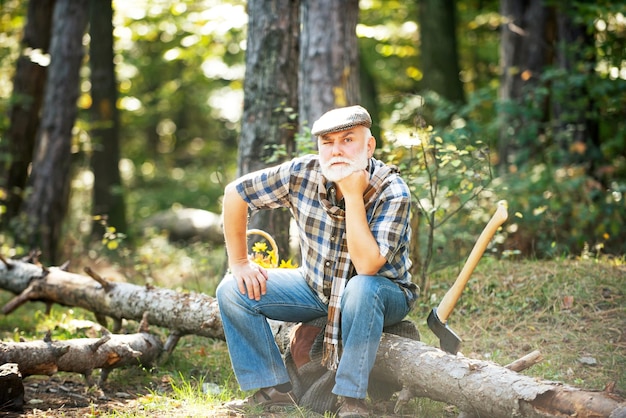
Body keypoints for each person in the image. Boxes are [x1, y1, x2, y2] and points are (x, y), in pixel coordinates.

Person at [216, 105, 418, 417]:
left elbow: (366, 267)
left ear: (369, 145)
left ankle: (351, 399)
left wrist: (352, 195)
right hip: (316, 288)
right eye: (328, 142)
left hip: (381, 293)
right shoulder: (302, 174)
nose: (337, 150)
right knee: (232, 290)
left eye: (348, 140)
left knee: (361, 288)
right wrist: (239, 262)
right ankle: (276, 389)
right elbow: (235, 193)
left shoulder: (392, 190)